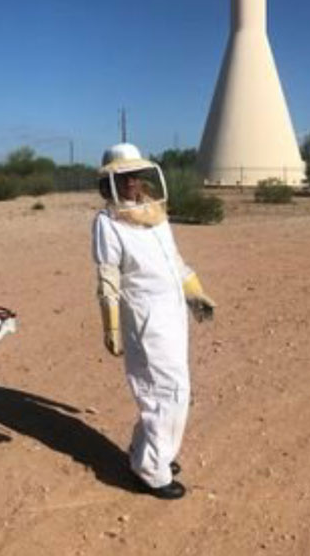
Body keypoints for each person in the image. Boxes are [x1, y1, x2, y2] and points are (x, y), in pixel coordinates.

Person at [91, 142, 215, 500]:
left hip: (172, 312)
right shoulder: (107, 224)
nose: (132, 184)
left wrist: (196, 293)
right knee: (166, 392)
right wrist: (110, 324)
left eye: (136, 176)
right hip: (145, 318)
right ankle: (150, 470)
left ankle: (152, 452)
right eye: (125, 177)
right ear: (110, 183)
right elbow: (108, 277)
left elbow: (173, 260)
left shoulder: (154, 214)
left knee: (173, 388)